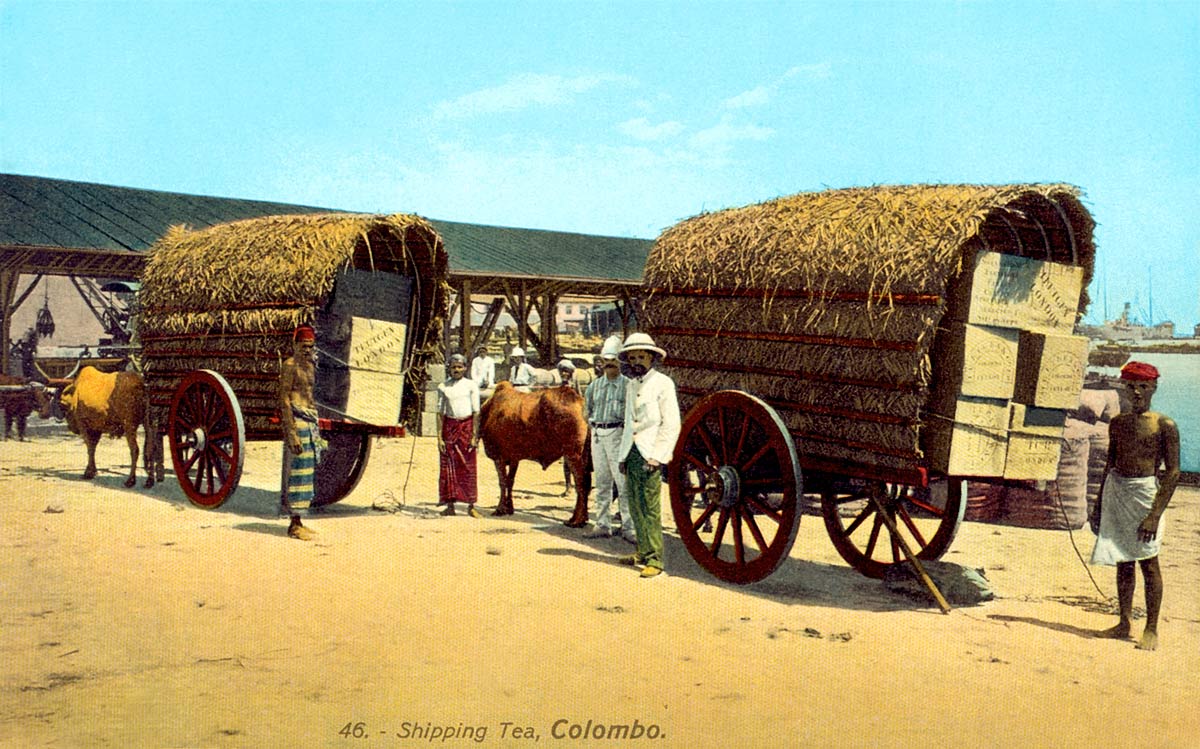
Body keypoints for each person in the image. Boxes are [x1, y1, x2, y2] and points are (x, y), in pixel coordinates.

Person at [1089, 360, 1181, 651]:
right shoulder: (1118, 423)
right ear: (1123, 388)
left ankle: (1151, 628)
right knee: (1123, 559)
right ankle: (1124, 621)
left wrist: (1155, 515)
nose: (1137, 393)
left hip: (1145, 495)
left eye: (1143, 386)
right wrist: (1099, 504)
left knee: (1148, 562)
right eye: (1131, 386)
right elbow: (1110, 464)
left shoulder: (1164, 425)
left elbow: (1173, 471)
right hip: (1118, 491)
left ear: (1153, 388)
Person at [616, 332, 680, 578]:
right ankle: (642, 552)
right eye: (632, 358)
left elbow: (671, 423)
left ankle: (655, 559)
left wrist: (658, 456)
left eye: (641, 356)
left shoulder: (663, 384)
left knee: (650, 506)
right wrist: (623, 456)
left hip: (650, 453)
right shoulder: (632, 384)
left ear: (652, 358)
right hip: (632, 452)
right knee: (634, 505)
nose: (636, 362)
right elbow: (628, 422)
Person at [583, 336, 634, 543]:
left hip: (618, 434)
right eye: (607, 360)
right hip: (598, 434)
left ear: (620, 362)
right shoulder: (594, 386)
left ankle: (628, 527)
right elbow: (587, 411)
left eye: (614, 360)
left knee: (622, 483)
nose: (610, 364)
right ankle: (602, 524)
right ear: (601, 362)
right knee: (602, 482)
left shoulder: (628, 386)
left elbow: (632, 414)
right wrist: (594, 426)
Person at [279, 324, 326, 540]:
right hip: (298, 421)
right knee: (297, 472)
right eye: (304, 346)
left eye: (310, 346)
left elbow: (311, 396)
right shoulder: (289, 366)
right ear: (295, 345)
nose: (307, 350)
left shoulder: (310, 367)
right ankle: (293, 525)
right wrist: (292, 433)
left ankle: (299, 521)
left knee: (307, 473)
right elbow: (285, 400)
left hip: (310, 422)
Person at [437, 353, 482, 517]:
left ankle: (471, 506)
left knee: (468, 466)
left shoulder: (471, 385)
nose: (456, 370)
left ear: (465, 368)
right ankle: (450, 506)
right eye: (453, 367)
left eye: (460, 367)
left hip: (466, 427)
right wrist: (439, 438)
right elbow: (440, 413)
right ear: (449, 368)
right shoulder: (443, 387)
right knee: (448, 467)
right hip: (449, 428)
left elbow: (476, 412)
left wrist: (474, 436)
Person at [556, 358, 588, 495]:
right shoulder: (558, 386)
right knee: (566, 456)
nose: (564, 373)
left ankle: (580, 485)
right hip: (562, 422)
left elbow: (581, 399)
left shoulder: (574, 384)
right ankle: (568, 486)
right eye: (562, 371)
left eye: (567, 371)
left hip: (575, 420)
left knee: (579, 455)